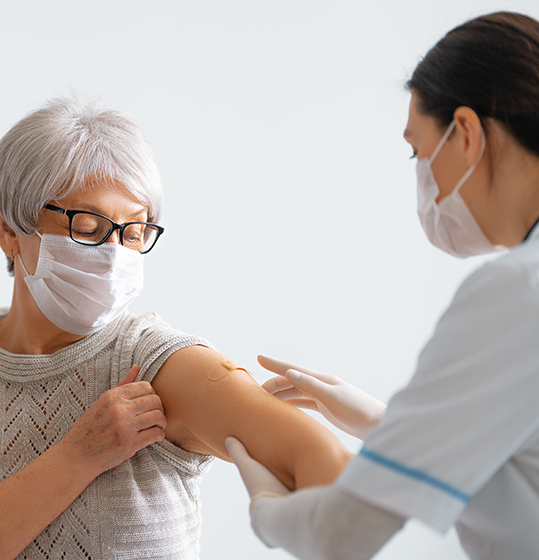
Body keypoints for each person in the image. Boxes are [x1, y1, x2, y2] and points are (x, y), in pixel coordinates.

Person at [0, 96, 351, 560]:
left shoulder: (158, 363)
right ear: (8, 229)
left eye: (134, 232)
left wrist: (373, 437)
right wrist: (77, 457)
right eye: (88, 228)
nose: (114, 255)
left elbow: (324, 466)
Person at [226, 11, 539, 560]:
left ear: (467, 134)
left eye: (417, 151)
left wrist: (266, 509)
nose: (421, 174)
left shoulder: (517, 290)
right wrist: (384, 424)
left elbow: (340, 534)